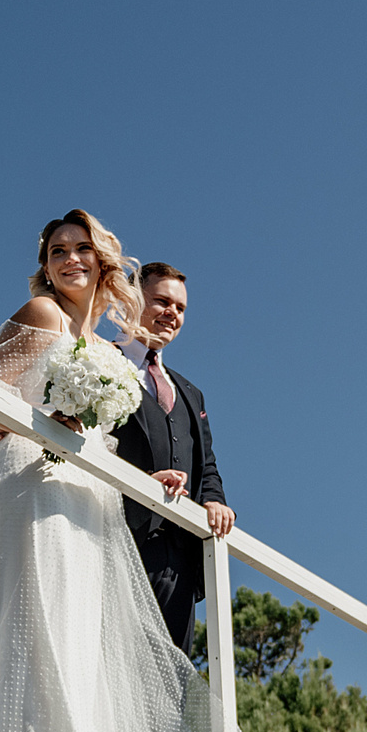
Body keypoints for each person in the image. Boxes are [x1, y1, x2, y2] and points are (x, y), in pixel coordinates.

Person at [0, 210, 261, 732]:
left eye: (81, 248)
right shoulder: (41, 314)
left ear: (102, 261)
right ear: (45, 264)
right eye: (58, 250)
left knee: (81, 641)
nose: (70, 259)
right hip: (33, 481)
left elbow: (103, 434)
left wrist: (144, 475)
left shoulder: (103, 347)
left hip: (88, 494)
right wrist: (23, 418)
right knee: (38, 629)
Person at [109, 263, 231, 652]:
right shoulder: (99, 359)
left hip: (180, 562)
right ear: (132, 299)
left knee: (172, 678)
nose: (172, 314)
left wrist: (213, 500)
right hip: (117, 540)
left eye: (180, 308)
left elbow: (206, 464)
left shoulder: (191, 392)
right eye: (162, 301)